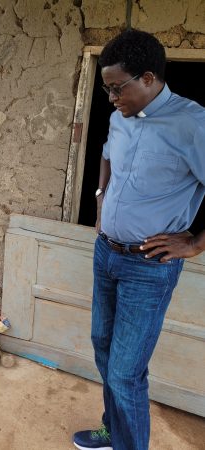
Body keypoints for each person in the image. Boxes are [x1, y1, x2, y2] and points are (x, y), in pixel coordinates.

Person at [73, 29, 205, 450]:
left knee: (125, 372)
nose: (112, 98)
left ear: (148, 78)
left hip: (148, 267)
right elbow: (107, 155)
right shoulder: (120, 117)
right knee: (103, 348)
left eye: (117, 88)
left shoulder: (192, 124)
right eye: (107, 89)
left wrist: (195, 244)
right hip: (106, 254)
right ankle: (113, 430)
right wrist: (100, 198)